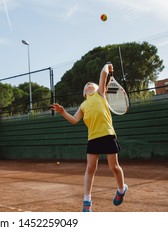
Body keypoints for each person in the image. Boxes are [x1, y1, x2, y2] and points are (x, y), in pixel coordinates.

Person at [51, 63, 127, 212]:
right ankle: (87, 201)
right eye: (85, 86)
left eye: (91, 83)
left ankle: (121, 189)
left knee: (114, 167)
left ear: (100, 88)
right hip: (93, 138)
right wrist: (62, 112)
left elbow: (103, 75)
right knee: (90, 168)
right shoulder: (83, 105)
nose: (88, 84)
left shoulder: (101, 94)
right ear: (84, 94)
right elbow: (74, 120)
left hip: (108, 135)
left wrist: (106, 66)